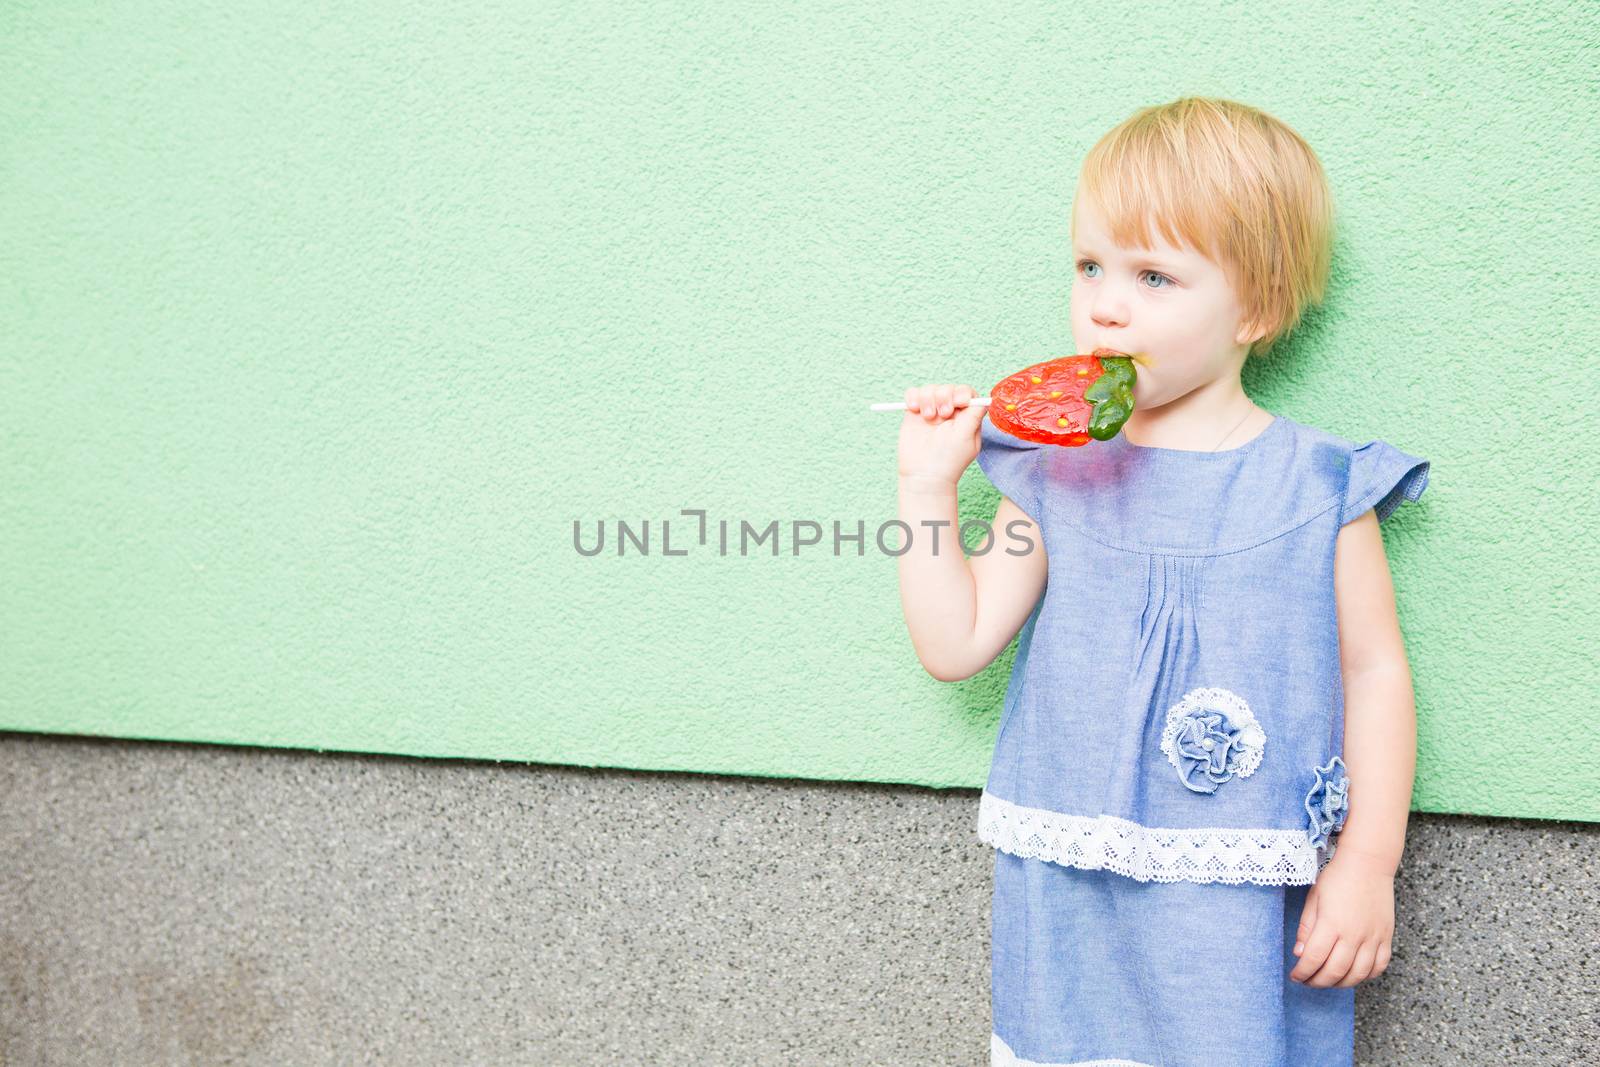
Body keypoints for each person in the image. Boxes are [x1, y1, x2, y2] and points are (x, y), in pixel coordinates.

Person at [894, 97, 1431, 1067]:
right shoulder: (1056, 469)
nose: (1104, 303)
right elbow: (956, 641)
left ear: (1256, 308)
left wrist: (1366, 861)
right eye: (1089, 265)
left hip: (1231, 890)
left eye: (1153, 275)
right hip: (1066, 884)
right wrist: (926, 484)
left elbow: (1373, 672)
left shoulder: (1318, 485)